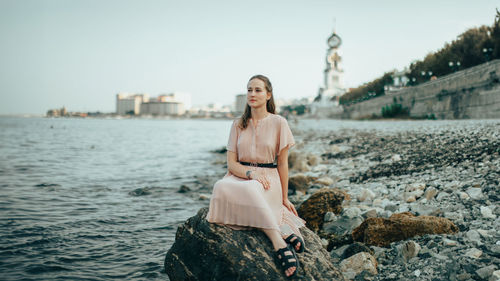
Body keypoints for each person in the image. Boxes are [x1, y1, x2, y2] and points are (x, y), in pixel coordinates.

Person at [206, 74, 306, 278]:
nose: (252, 94)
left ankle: (277, 241)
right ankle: (280, 229)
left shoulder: (279, 122)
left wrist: (284, 198)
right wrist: (249, 173)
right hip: (240, 175)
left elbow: (283, 163)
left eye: (258, 90)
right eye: (249, 90)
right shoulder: (238, 124)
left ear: (268, 95)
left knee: (252, 189)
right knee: (219, 186)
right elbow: (231, 163)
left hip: (268, 177)